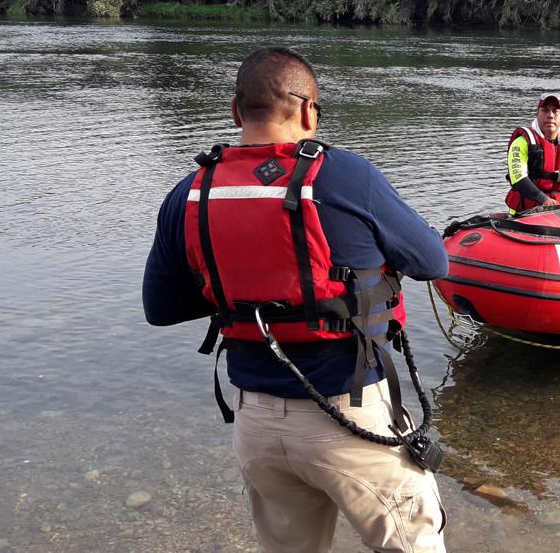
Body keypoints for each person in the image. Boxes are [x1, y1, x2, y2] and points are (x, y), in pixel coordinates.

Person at [143, 47, 448, 553]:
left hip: (256, 422)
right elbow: (432, 262)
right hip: (351, 413)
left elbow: (160, 308)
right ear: (309, 111)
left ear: (237, 111)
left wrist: (245, 296)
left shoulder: (189, 193)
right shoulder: (348, 176)